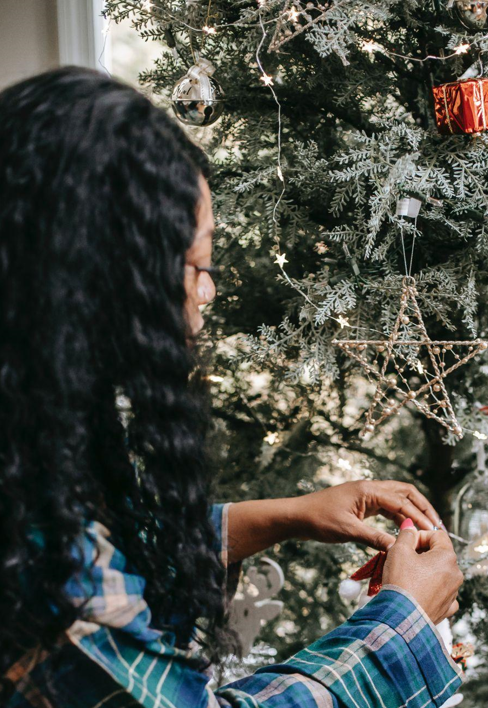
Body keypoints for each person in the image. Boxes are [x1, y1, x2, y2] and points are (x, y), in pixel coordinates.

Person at [0, 67, 464, 708]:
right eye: (196, 265)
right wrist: (403, 621)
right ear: (84, 280)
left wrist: (284, 516)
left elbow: (117, 546)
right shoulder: (50, 583)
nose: (207, 291)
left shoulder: (28, 440)